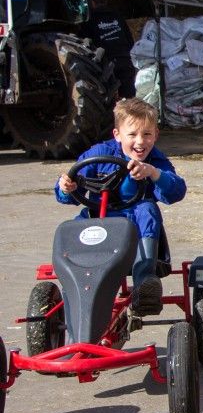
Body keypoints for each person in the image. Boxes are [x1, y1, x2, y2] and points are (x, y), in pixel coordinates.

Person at [55, 98, 186, 316]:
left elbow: (176, 191)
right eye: (132, 134)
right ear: (117, 135)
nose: (140, 142)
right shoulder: (99, 153)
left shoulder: (155, 160)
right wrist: (66, 187)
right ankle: (73, 284)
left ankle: (144, 283)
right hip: (99, 215)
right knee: (71, 227)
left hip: (134, 223)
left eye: (147, 134)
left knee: (147, 209)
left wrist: (153, 173)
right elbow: (69, 191)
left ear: (156, 135)